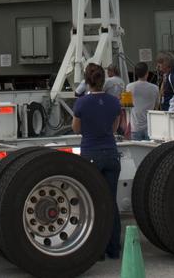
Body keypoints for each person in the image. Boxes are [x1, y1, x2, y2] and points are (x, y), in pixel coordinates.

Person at [72, 63, 122, 260]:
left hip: (91, 153)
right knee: (111, 201)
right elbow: (115, 127)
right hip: (111, 152)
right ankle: (114, 248)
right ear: (103, 80)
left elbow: (76, 129)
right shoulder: (114, 102)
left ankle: (98, 250)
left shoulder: (82, 103)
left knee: (93, 202)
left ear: (87, 81)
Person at [125, 63, 159, 140]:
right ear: (147, 73)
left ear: (135, 73)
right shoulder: (155, 88)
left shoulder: (129, 87)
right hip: (150, 127)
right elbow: (157, 106)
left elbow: (126, 106)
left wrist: (127, 125)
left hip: (135, 127)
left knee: (136, 151)